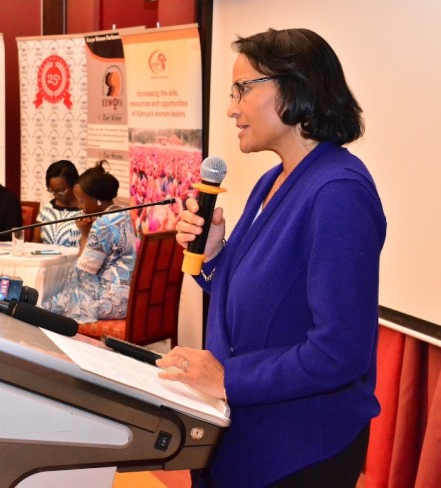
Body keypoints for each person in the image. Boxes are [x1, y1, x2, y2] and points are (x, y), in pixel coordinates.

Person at [155, 28, 386, 487]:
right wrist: (215, 254)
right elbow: (260, 296)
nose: (230, 107)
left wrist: (227, 379)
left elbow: (340, 351)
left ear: (295, 87)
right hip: (247, 434)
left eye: (242, 88)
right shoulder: (274, 180)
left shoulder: (338, 192)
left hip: (298, 448)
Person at [42, 160, 136, 323]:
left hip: (108, 302)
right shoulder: (123, 214)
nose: (79, 206)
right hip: (126, 298)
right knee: (57, 302)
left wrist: (85, 234)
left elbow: (82, 274)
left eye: (82, 201)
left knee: (46, 307)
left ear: (97, 200)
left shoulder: (103, 224)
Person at [33, 159, 82, 247]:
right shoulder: (47, 210)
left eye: (60, 191)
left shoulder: (86, 211)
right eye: (52, 191)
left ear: (74, 185)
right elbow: (35, 244)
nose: (56, 195)